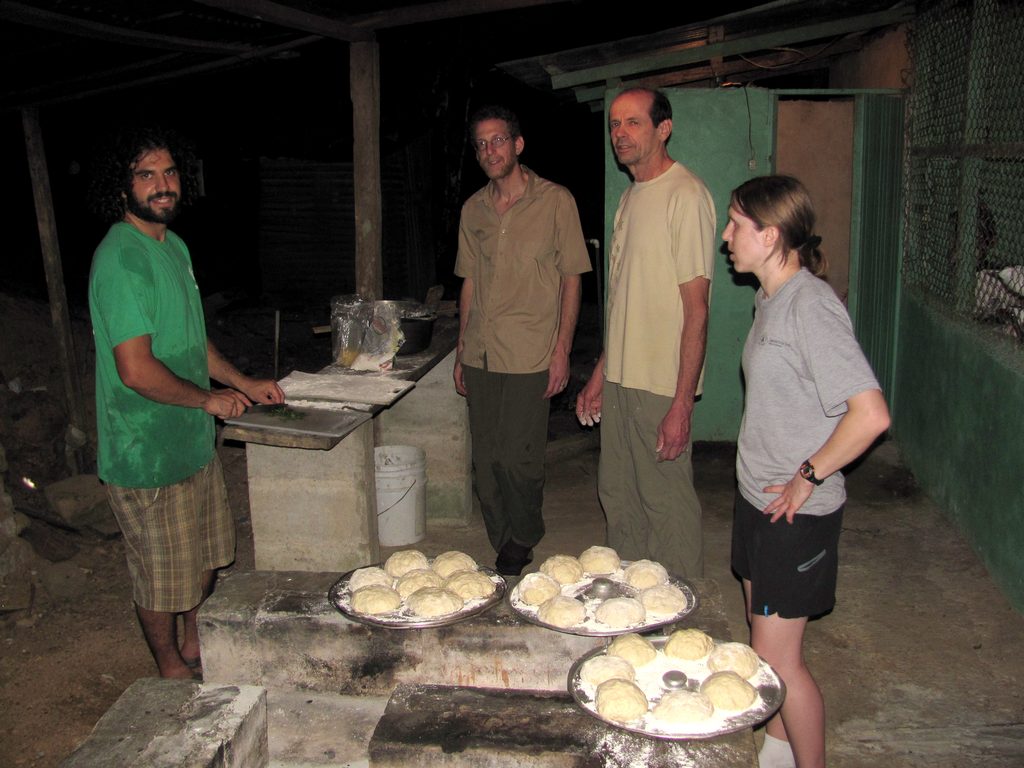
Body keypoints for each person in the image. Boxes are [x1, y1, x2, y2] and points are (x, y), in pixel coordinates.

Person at [87, 126, 284, 679]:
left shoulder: (172, 247)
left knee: (204, 558)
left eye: (169, 172)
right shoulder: (119, 259)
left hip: (190, 445)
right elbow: (137, 369)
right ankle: (169, 663)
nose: (161, 184)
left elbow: (191, 343)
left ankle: (195, 639)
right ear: (122, 186)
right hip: (145, 451)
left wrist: (242, 383)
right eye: (146, 174)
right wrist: (206, 401)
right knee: (159, 575)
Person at [722, 175, 891, 768]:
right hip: (758, 500)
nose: (726, 237)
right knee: (761, 631)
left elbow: (870, 415)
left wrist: (808, 475)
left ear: (770, 237)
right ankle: (777, 749)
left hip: (795, 513)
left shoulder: (811, 307)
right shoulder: (771, 296)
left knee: (779, 661)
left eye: (736, 225)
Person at [576, 87, 715, 579]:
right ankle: (628, 595)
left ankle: (678, 604)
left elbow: (696, 310)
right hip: (621, 380)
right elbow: (623, 303)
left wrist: (682, 403)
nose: (620, 134)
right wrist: (599, 373)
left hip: (661, 384)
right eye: (615, 124)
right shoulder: (632, 197)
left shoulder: (687, 195)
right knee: (618, 495)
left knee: (667, 502)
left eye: (633, 122)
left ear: (664, 128)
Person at [454, 105, 591, 576]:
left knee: (519, 459)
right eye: (481, 144)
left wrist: (562, 350)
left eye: (497, 140)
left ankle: (526, 533)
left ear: (517, 145)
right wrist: (460, 350)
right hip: (481, 351)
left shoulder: (556, 202)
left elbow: (573, 278)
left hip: (531, 352)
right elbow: (468, 281)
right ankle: (503, 537)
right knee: (485, 461)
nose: (489, 150)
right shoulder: (473, 209)